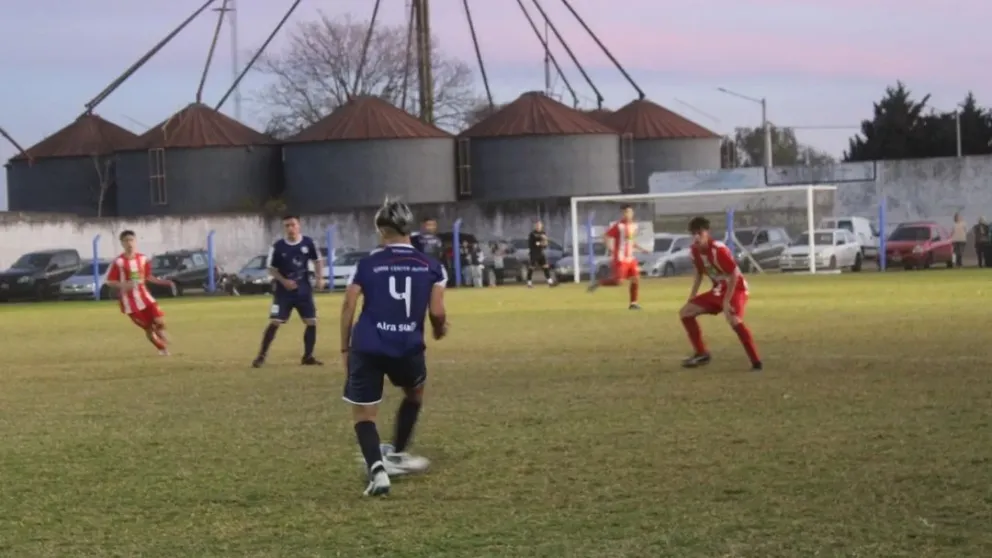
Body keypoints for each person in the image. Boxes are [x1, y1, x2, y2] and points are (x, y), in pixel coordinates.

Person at [339, 198, 448, 497]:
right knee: (415, 392)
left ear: (381, 231)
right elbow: (437, 312)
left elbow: (349, 304)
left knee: (364, 415)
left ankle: (377, 471)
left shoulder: (367, 263)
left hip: (368, 345)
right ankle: (398, 453)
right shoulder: (432, 266)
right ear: (408, 229)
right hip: (407, 345)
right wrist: (440, 329)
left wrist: (345, 349)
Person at [679, 216, 762, 371]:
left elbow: (734, 275)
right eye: (694, 234)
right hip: (718, 289)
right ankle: (701, 353)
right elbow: (698, 273)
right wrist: (692, 295)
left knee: (734, 319)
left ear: (707, 233)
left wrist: (726, 302)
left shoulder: (718, 250)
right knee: (686, 312)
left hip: (736, 288)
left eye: (700, 233)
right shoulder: (694, 251)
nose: (696, 237)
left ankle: (756, 361)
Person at [252, 215, 324, 368]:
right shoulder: (278, 246)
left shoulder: (308, 243)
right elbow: (271, 268)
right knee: (275, 321)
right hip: (283, 292)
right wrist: (284, 281)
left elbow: (318, 260)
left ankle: (308, 356)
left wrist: (319, 278)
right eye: (287, 226)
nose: (290, 228)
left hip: (303, 290)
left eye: (292, 225)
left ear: (299, 226)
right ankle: (261, 356)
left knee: (311, 321)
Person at [104, 230, 176, 356]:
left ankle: (161, 332)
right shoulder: (119, 262)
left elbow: (147, 277)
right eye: (126, 241)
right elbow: (109, 281)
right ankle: (161, 348)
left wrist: (164, 282)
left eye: (131, 240)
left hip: (145, 297)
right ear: (122, 243)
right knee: (148, 328)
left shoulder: (142, 259)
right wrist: (123, 285)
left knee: (159, 320)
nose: (129, 243)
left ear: (135, 241)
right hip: (130, 302)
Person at [588, 204, 648, 309]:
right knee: (618, 282)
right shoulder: (619, 226)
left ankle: (633, 303)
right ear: (623, 213)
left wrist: (641, 249)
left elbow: (630, 241)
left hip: (630, 258)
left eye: (630, 212)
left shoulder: (634, 226)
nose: (629, 214)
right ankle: (599, 282)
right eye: (626, 212)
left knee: (636, 279)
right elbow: (606, 236)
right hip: (620, 259)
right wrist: (610, 248)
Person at [526, 221, 555, 287]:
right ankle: (529, 283)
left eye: (539, 225)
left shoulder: (543, 233)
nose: (538, 226)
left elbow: (545, 244)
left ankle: (550, 282)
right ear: (535, 226)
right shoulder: (532, 234)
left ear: (541, 226)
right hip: (534, 253)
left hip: (541, 253)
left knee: (545, 267)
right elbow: (534, 244)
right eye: (537, 225)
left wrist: (544, 242)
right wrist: (540, 242)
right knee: (531, 268)